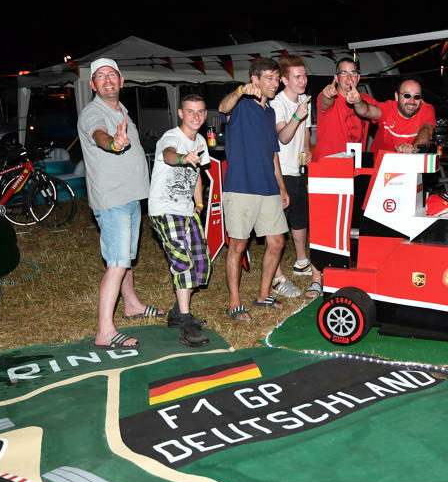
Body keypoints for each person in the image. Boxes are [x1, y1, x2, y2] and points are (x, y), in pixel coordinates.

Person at [77, 58, 160, 348]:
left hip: (129, 196)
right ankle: (105, 331)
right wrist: (113, 143)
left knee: (124, 257)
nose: (108, 80)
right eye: (100, 76)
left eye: (112, 74)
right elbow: (100, 135)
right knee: (116, 262)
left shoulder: (121, 109)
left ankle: (132, 305)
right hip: (112, 200)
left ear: (122, 81)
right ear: (92, 85)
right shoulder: (93, 113)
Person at [217, 57, 290, 321]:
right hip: (241, 187)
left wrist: (282, 187)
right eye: (269, 78)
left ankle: (262, 295)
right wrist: (239, 91)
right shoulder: (240, 106)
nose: (275, 83)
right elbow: (222, 107)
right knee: (238, 245)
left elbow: (273, 155)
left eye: (276, 77)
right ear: (254, 80)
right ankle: (234, 302)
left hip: (268, 187)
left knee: (277, 241)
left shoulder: (270, 112)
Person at [146, 93, 212, 348]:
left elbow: (196, 175)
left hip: (187, 210)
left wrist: (198, 205)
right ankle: (185, 321)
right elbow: (170, 155)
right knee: (183, 263)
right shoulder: (172, 137)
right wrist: (184, 157)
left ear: (205, 115)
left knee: (201, 264)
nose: (195, 116)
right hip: (164, 209)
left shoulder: (201, 141)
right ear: (181, 114)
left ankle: (176, 312)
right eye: (190, 111)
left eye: (200, 111)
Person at [270, 54, 322, 299]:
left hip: (298, 170)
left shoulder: (304, 100)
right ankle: (275, 276)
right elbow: (283, 137)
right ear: (283, 80)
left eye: (305, 75)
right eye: (297, 76)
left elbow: (304, 134)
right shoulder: (277, 104)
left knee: (301, 219)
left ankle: (301, 262)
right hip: (280, 172)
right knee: (278, 226)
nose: (303, 80)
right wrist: (297, 115)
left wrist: (308, 151)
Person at [347, 77, 437, 154]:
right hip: (379, 169)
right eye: (407, 95)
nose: (412, 101)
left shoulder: (426, 109)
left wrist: (412, 149)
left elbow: (427, 131)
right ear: (397, 96)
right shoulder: (388, 108)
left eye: (416, 96)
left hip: (410, 167)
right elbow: (366, 111)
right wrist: (358, 102)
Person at [313, 57, 377, 158]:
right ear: (336, 78)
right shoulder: (328, 95)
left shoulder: (367, 100)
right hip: (326, 166)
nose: (349, 78)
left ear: (358, 78)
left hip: (355, 167)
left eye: (353, 73)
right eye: (344, 73)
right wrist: (327, 96)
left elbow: (385, 116)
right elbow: (325, 102)